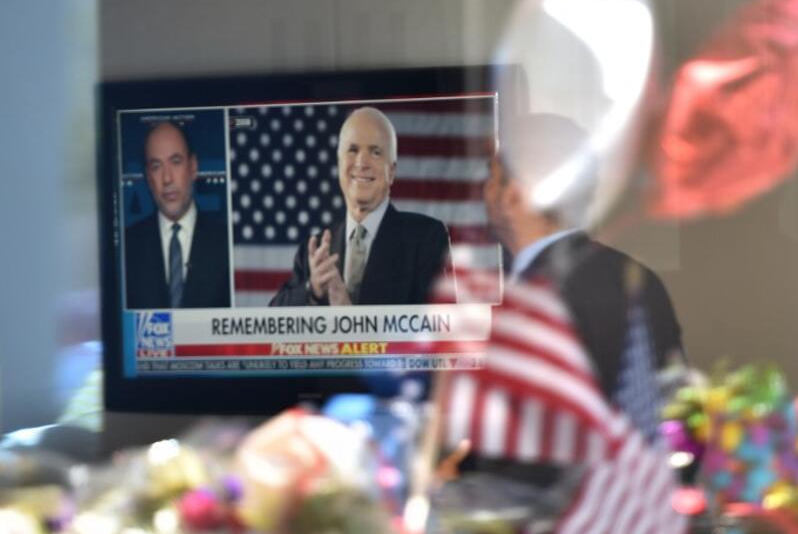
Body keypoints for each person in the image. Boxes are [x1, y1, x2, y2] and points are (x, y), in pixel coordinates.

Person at [483, 113, 685, 401]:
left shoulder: (530, 296)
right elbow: (675, 411)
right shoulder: (640, 280)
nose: (485, 191)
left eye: (492, 175)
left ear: (516, 194)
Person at [270, 106, 452, 307]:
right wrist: (312, 289)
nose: (362, 162)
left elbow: (442, 328)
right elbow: (271, 324)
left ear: (391, 172)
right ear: (339, 164)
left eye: (375, 152)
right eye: (353, 150)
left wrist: (354, 321)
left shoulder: (426, 238)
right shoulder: (314, 251)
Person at [125, 121, 231, 309]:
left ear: (192, 167)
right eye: (156, 166)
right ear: (148, 177)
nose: (167, 179)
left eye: (175, 162)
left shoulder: (227, 243)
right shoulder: (127, 248)